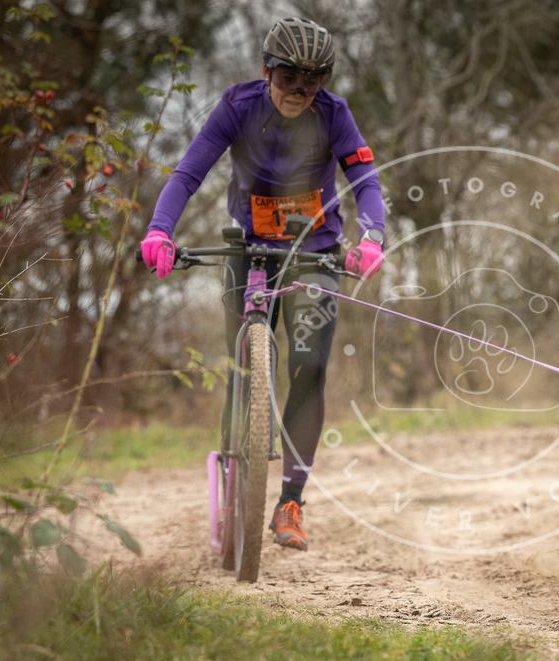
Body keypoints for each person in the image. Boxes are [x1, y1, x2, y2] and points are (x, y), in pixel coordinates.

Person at [140, 17, 386, 551]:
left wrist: (373, 237)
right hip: (246, 250)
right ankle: (236, 474)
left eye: (312, 80)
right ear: (265, 70)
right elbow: (188, 173)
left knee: (311, 366)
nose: (299, 90)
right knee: (241, 364)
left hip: (313, 252)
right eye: (288, 77)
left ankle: (290, 501)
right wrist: (160, 230)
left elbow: (365, 181)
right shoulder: (236, 106)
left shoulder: (334, 115)